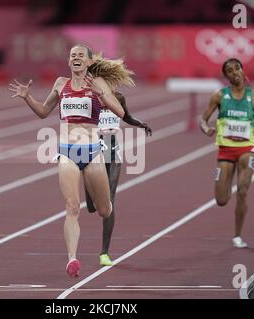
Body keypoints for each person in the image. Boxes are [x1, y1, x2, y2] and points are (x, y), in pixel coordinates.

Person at [9, 44, 125, 278]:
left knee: (104, 210)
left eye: (81, 55)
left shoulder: (99, 84)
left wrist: (101, 94)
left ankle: (104, 203)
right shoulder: (61, 84)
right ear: (68, 61)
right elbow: (43, 112)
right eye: (72, 55)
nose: (76, 58)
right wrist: (28, 97)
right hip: (68, 151)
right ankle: (72, 258)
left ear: (90, 62)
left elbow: (120, 112)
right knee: (72, 207)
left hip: (93, 151)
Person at [199, 58, 254, 248]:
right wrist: (206, 128)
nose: (235, 72)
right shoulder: (219, 96)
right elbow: (203, 120)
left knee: (243, 191)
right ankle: (227, 180)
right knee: (221, 200)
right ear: (226, 76)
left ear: (243, 70)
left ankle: (237, 235)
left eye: (237, 68)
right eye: (230, 70)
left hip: (247, 148)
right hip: (225, 150)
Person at [83, 55, 152, 266]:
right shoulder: (87, 98)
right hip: (91, 152)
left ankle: (104, 252)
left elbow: (127, 117)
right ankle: (91, 193)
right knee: (92, 207)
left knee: (110, 202)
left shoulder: (118, 98)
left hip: (113, 154)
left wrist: (140, 124)